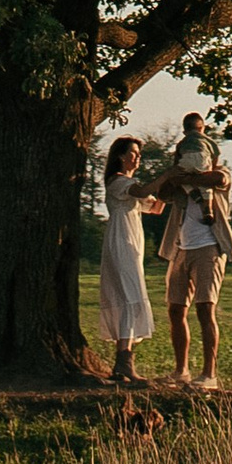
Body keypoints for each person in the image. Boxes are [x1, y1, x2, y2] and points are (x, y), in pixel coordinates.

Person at [151, 111, 232, 393]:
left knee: (205, 309)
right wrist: (174, 175)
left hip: (208, 248)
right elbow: (162, 194)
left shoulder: (220, 174)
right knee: (176, 309)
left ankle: (208, 374)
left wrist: (191, 176)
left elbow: (218, 180)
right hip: (180, 249)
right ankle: (181, 371)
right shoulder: (179, 181)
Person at [96, 135, 162, 385]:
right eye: (133, 153)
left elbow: (155, 207)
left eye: (138, 154)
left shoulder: (131, 185)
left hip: (132, 241)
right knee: (128, 296)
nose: (137, 158)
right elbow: (143, 191)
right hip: (121, 239)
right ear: (121, 156)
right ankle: (124, 361)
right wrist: (166, 176)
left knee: (132, 295)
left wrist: (170, 187)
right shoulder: (118, 182)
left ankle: (124, 359)